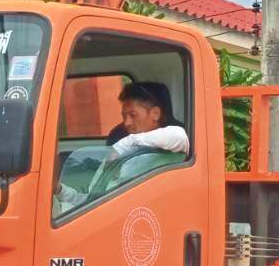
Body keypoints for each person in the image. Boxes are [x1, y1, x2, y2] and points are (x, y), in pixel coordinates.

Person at [54, 82, 189, 211]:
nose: (127, 123)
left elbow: (179, 137)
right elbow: (92, 202)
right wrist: (60, 190)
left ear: (155, 114)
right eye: (124, 116)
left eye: (133, 115)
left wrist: (122, 146)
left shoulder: (164, 151)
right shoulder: (129, 150)